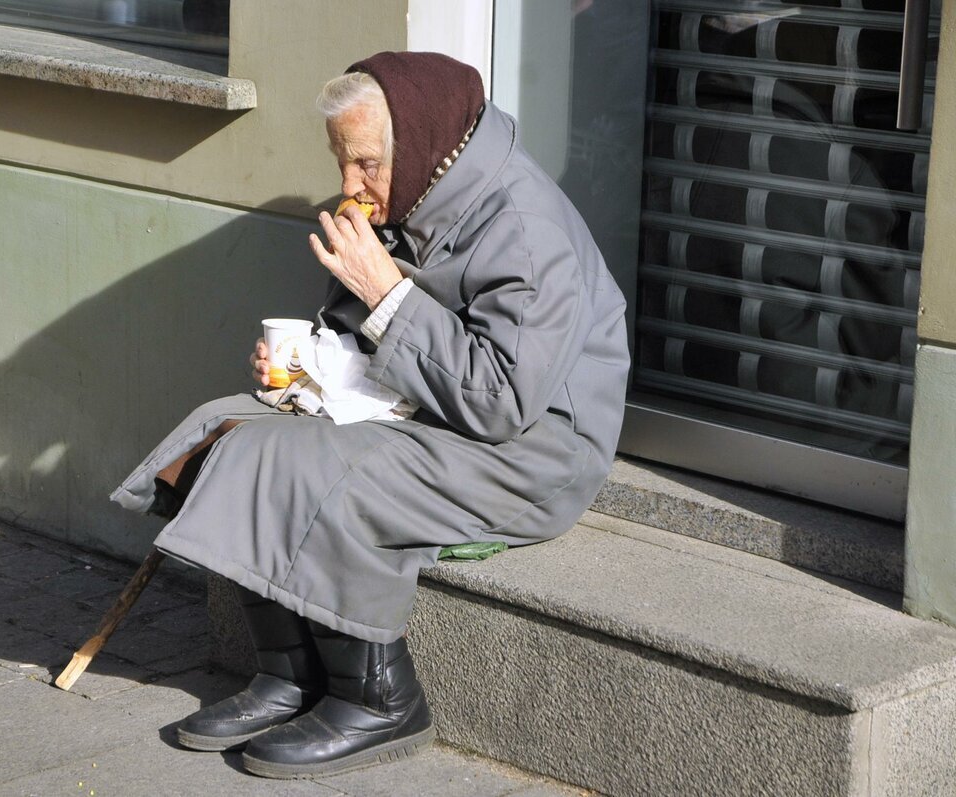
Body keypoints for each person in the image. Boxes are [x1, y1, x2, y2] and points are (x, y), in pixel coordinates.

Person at [111, 51, 630, 779]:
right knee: (229, 427)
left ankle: (380, 698)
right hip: (428, 409)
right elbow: (367, 337)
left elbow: (503, 399)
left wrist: (389, 296)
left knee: (311, 463)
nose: (349, 185)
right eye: (340, 161)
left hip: (535, 449)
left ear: (418, 142)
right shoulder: (415, 189)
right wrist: (307, 365)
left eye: (364, 163)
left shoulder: (522, 226)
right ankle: (287, 675)